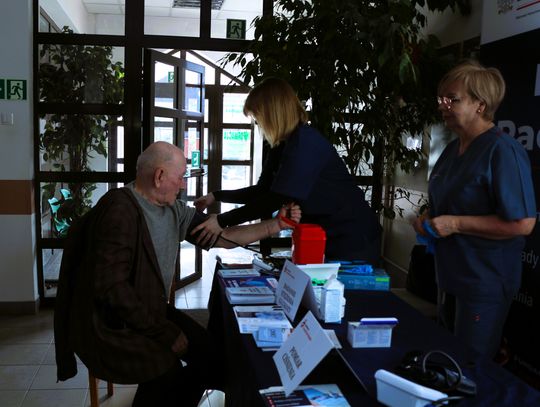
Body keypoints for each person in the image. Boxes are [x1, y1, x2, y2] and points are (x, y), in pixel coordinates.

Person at [54, 141, 300, 407]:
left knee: (211, 358)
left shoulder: (173, 209)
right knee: (165, 370)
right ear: (159, 176)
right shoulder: (119, 211)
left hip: (148, 308)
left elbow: (224, 237)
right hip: (110, 324)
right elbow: (112, 289)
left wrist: (276, 224)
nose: (183, 185)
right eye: (180, 177)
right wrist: (165, 332)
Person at [413, 60, 536, 358]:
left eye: (452, 99)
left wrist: (456, 224)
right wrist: (427, 219)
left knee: (470, 366)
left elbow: (523, 223)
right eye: (441, 98)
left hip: (484, 281)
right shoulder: (451, 150)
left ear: (480, 105)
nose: (442, 105)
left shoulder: (502, 150)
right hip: (450, 275)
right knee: (447, 360)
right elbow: (446, 204)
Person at [193, 77, 381, 264]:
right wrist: (216, 196)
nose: (258, 124)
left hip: (351, 235)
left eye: (257, 118)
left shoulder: (305, 143)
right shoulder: (282, 145)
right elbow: (262, 190)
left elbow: (275, 199)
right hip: (320, 232)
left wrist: (222, 221)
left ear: (272, 114)